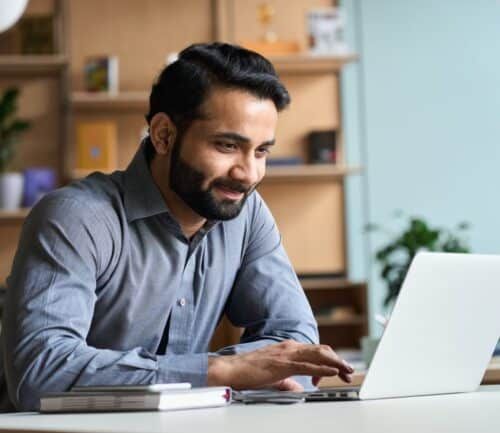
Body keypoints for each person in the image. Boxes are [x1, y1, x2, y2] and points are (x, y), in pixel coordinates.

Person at [0, 43, 353, 412]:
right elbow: (39, 373)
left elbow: (295, 342)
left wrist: (234, 370)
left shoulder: (247, 215)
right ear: (164, 135)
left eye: (261, 151)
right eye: (228, 145)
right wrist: (220, 370)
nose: (248, 173)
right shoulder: (76, 217)